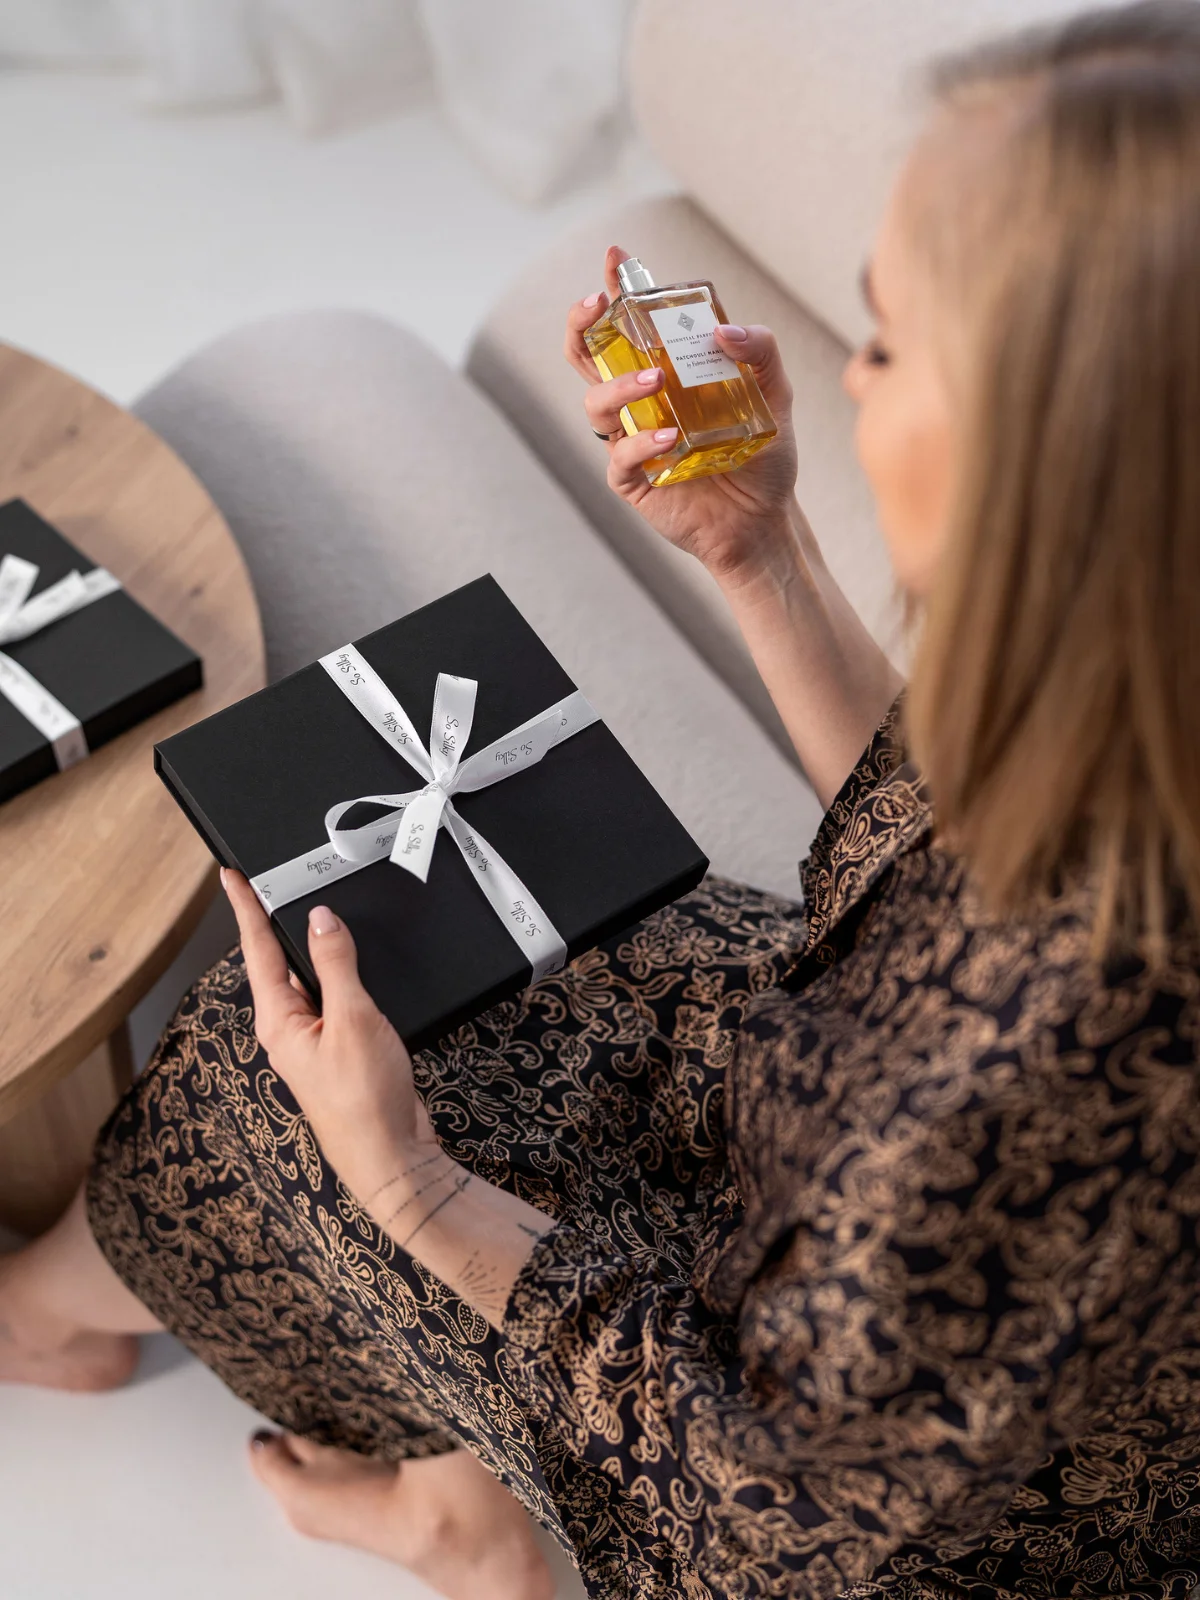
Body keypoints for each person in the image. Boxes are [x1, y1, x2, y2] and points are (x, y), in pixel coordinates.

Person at [4, 5, 1200, 1597]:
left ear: (1054, 457)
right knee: (453, 957)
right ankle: (459, 1491)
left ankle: (57, 1327)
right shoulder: (1143, 709)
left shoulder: (1047, 1064)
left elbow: (760, 1522)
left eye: (891, 341)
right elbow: (935, 846)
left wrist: (409, 1182)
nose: (850, 377)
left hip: (830, 1466)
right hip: (846, 1149)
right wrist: (761, 556)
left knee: (278, 1066)